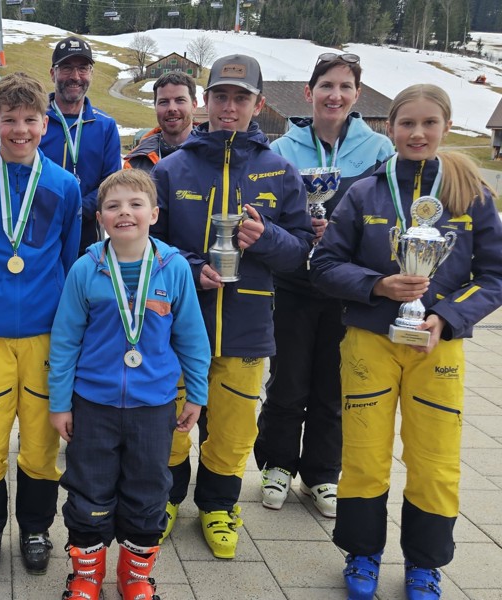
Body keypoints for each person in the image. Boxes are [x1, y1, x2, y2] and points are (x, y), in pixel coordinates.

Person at [310, 84, 502, 600]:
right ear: (389, 128)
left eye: (429, 124)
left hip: (438, 346)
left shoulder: (470, 192)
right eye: (406, 124)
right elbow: (324, 265)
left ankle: (424, 563)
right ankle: (362, 552)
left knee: (435, 458)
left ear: (445, 126)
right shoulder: (365, 191)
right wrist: (377, 285)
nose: (417, 134)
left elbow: (496, 273)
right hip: (370, 340)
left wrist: (446, 316)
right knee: (366, 455)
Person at [151, 54, 313, 559]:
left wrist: (265, 238)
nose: (228, 107)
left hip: (246, 328)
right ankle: (167, 498)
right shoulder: (173, 169)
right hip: (179, 326)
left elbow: (303, 251)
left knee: (235, 426)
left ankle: (219, 505)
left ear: (258, 105)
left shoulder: (280, 172)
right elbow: (148, 244)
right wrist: (192, 267)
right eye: (220, 96)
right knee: (174, 423)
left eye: (241, 98)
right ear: (205, 102)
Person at [49, 169, 210, 600]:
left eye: (136, 205)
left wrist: (197, 393)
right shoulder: (86, 269)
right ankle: (86, 575)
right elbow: (65, 341)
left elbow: (192, 336)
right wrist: (60, 403)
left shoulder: (173, 269)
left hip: (153, 407)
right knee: (88, 491)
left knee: (148, 492)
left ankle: (135, 576)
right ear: (100, 217)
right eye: (114, 206)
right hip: (93, 405)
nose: (125, 213)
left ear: (154, 213)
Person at [0, 71, 82, 582]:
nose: (20, 129)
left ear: (45, 125)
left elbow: (68, 261)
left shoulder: (65, 186)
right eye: (10, 120)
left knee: (41, 445)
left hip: (46, 337)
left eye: (30, 120)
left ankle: (34, 526)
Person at [255, 52, 394, 519]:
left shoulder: (377, 150)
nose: (335, 95)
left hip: (347, 283)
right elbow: (270, 213)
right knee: (288, 378)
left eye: (345, 87)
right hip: (293, 281)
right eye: (326, 86)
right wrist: (304, 226)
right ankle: (276, 464)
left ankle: (322, 473)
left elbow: (385, 216)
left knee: (333, 384)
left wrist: (336, 230)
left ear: (357, 95)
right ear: (308, 93)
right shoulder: (282, 150)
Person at [39, 36, 121, 256]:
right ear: (52, 73)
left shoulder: (105, 126)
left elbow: (111, 183)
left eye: (83, 68)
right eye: (66, 68)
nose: (75, 77)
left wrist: (75, 208)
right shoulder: (34, 122)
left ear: (91, 74)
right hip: (38, 234)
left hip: (88, 242)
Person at [124, 71, 199, 171]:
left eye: (180, 100)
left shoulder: (214, 155)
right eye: (164, 102)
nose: (172, 108)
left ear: (194, 105)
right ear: (155, 107)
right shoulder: (135, 164)